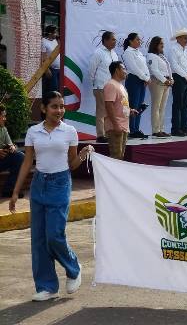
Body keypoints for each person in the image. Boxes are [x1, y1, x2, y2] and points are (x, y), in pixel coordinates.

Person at [9, 91, 92, 301]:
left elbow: (72, 164)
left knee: (54, 235)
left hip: (60, 183)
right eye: (55, 106)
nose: (60, 111)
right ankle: (46, 286)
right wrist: (16, 191)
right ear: (44, 109)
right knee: (38, 239)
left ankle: (73, 267)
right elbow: (28, 162)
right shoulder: (33, 132)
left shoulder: (69, 131)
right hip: (39, 185)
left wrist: (82, 156)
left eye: (62, 106)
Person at [88, 31, 118, 143]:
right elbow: (91, 69)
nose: (115, 42)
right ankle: (100, 135)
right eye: (113, 39)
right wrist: (94, 82)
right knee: (101, 111)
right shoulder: (98, 53)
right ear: (105, 40)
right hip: (100, 86)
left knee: (110, 111)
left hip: (112, 87)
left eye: (115, 40)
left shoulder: (114, 54)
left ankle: (108, 133)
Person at [104, 61, 135, 160]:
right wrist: (116, 125)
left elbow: (121, 104)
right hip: (115, 127)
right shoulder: (111, 85)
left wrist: (130, 111)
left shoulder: (121, 86)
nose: (126, 71)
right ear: (117, 70)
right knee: (116, 157)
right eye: (124, 69)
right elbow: (109, 105)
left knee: (120, 157)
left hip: (123, 126)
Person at [122, 32, 150, 139]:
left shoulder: (139, 52)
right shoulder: (128, 52)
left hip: (142, 80)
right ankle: (131, 129)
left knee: (139, 105)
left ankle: (136, 129)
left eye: (140, 40)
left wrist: (147, 77)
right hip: (133, 79)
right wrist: (145, 77)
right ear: (131, 41)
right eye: (137, 39)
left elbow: (144, 66)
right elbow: (133, 68)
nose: (140, 41)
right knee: (133, 105)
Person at [168, 29, 187, 137]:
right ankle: (176, 129)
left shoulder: (185, 50)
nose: (186, 40)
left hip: (186, 78)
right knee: (178, 104)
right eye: (184, 38)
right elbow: (174, 65)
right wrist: (186, 75)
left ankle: (184, 128)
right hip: (179, 78)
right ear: (178, 38)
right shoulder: (173, 49)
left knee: (185, 104)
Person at [147, 37, 173, 138]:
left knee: (162, 108)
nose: (163, 45)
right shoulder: (151, 56)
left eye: (163, 43)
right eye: (160, 43)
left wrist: (171, 79)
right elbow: (154, 70)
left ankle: (161, 129)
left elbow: (168, 69)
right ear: (155, 44)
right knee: (156, 107)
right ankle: (155, 130)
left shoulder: (162, 56)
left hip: (166, 83)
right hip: (157, 82)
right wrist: (165, 80)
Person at [0, 105, 25, 198]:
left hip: (2, 161)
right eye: (3, 116)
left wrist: (12, 147)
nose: (5, 118)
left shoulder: (3, 129)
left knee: (20, 156)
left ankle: (9, 189)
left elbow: (11, 144)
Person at [41, 25, 61, 94]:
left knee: (59, 88)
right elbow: (43, 57)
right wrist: (47, 69)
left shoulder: (55, 40)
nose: (57, 34)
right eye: (55, 32)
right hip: (52, 69)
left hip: (59, 69)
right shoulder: (44, 41)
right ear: (50, 33)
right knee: (53, 89)